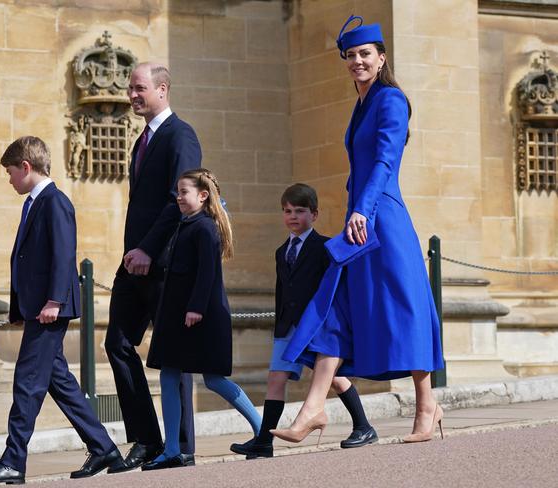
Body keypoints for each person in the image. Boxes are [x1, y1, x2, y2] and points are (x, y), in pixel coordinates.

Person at [271, 15, 445, 446]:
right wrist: (356, 210)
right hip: (362, 218)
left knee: (406, 311)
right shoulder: (361, 103)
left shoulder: (390, 100)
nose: (357, 61)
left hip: (382, 220)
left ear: (381, 57)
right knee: (333, 308)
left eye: (365, 54)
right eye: (350, 56)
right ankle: (313, 409)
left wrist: (362, 211)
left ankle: (427, 407)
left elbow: (385, 162)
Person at [0, 136, 124, 485]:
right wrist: (20, 307)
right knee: (60, 383)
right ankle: (104, 449)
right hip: (39, 308)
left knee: (26, 383)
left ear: (26, 167)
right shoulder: (34, 203)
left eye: (10, 172)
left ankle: (13, 461)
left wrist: (54, 301)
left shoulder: (54, 202)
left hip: (49, 309)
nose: (9, 180)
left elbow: (63, 253)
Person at [230, 183, 377, 459]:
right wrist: (278, 328)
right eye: (287, 211)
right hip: (288, 326)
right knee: (276, 378)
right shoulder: (280, 252)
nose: (292, 216)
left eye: (299, 210)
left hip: (316, 325)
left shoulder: (324, 248)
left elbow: (333, 289)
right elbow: (281, 292)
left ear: (314, 215)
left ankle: (363, 426)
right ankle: (264, 441)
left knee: (333, 378)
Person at [104, 62, 201, 472]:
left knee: (172, 353)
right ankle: (146, 440)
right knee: (117, 344)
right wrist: (133, 253)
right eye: (131, 89)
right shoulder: (142, 140)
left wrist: (147, 249)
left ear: (163, 89)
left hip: (164, 263)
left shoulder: (181, 135)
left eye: (139, 88)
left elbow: (179, 200)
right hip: (135, 264)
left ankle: (180, 448)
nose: (132, 95)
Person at [143, 169, 261, 470]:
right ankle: (171, 450)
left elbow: (208, 273)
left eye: (184, 192)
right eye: (178, 192)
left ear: (202, 195)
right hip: (175, 316)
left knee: (214, 379)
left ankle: (263, 431)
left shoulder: (205, 228)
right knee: (168, 376)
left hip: (198, 317)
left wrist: (195, 308)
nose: (178, 197)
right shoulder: (186, 224)